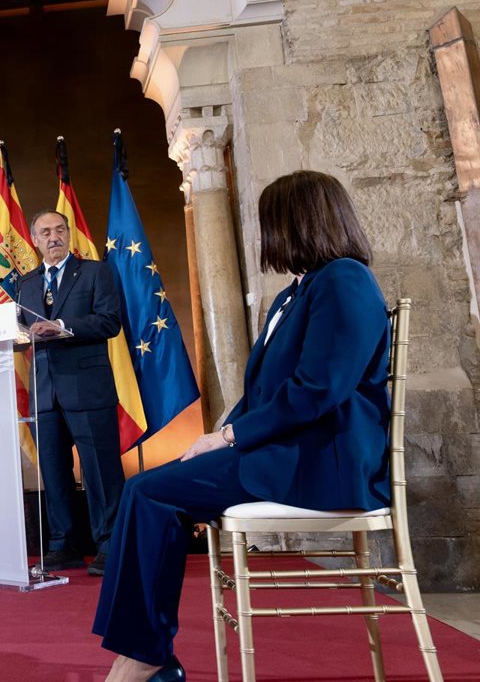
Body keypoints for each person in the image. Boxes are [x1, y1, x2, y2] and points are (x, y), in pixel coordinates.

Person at [93, 170, 391, 682]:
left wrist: (229, 437)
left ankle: (146, 657)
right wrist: (219, 437)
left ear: (298, 222)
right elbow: (260, 395)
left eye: (268, 221)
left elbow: (318, 389)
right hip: (285, 450)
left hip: (322, 461)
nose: (262, 234)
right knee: (147, 489)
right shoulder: (296, 293)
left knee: (148, 493)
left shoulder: (344, 279)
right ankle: (143, 652)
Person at [16, 210, 124, 575]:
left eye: (60, 229)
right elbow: (22, 329)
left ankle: (110, 544)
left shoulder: (95, 272)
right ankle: (64, 545)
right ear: (35, 240)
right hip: (45, 393)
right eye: (45, 232)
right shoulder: (28, 283)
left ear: (68, 234)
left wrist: (61, 325)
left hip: (87, 388)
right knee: (54, 472)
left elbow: (109, 321)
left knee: (100, 472)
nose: (54, 237)